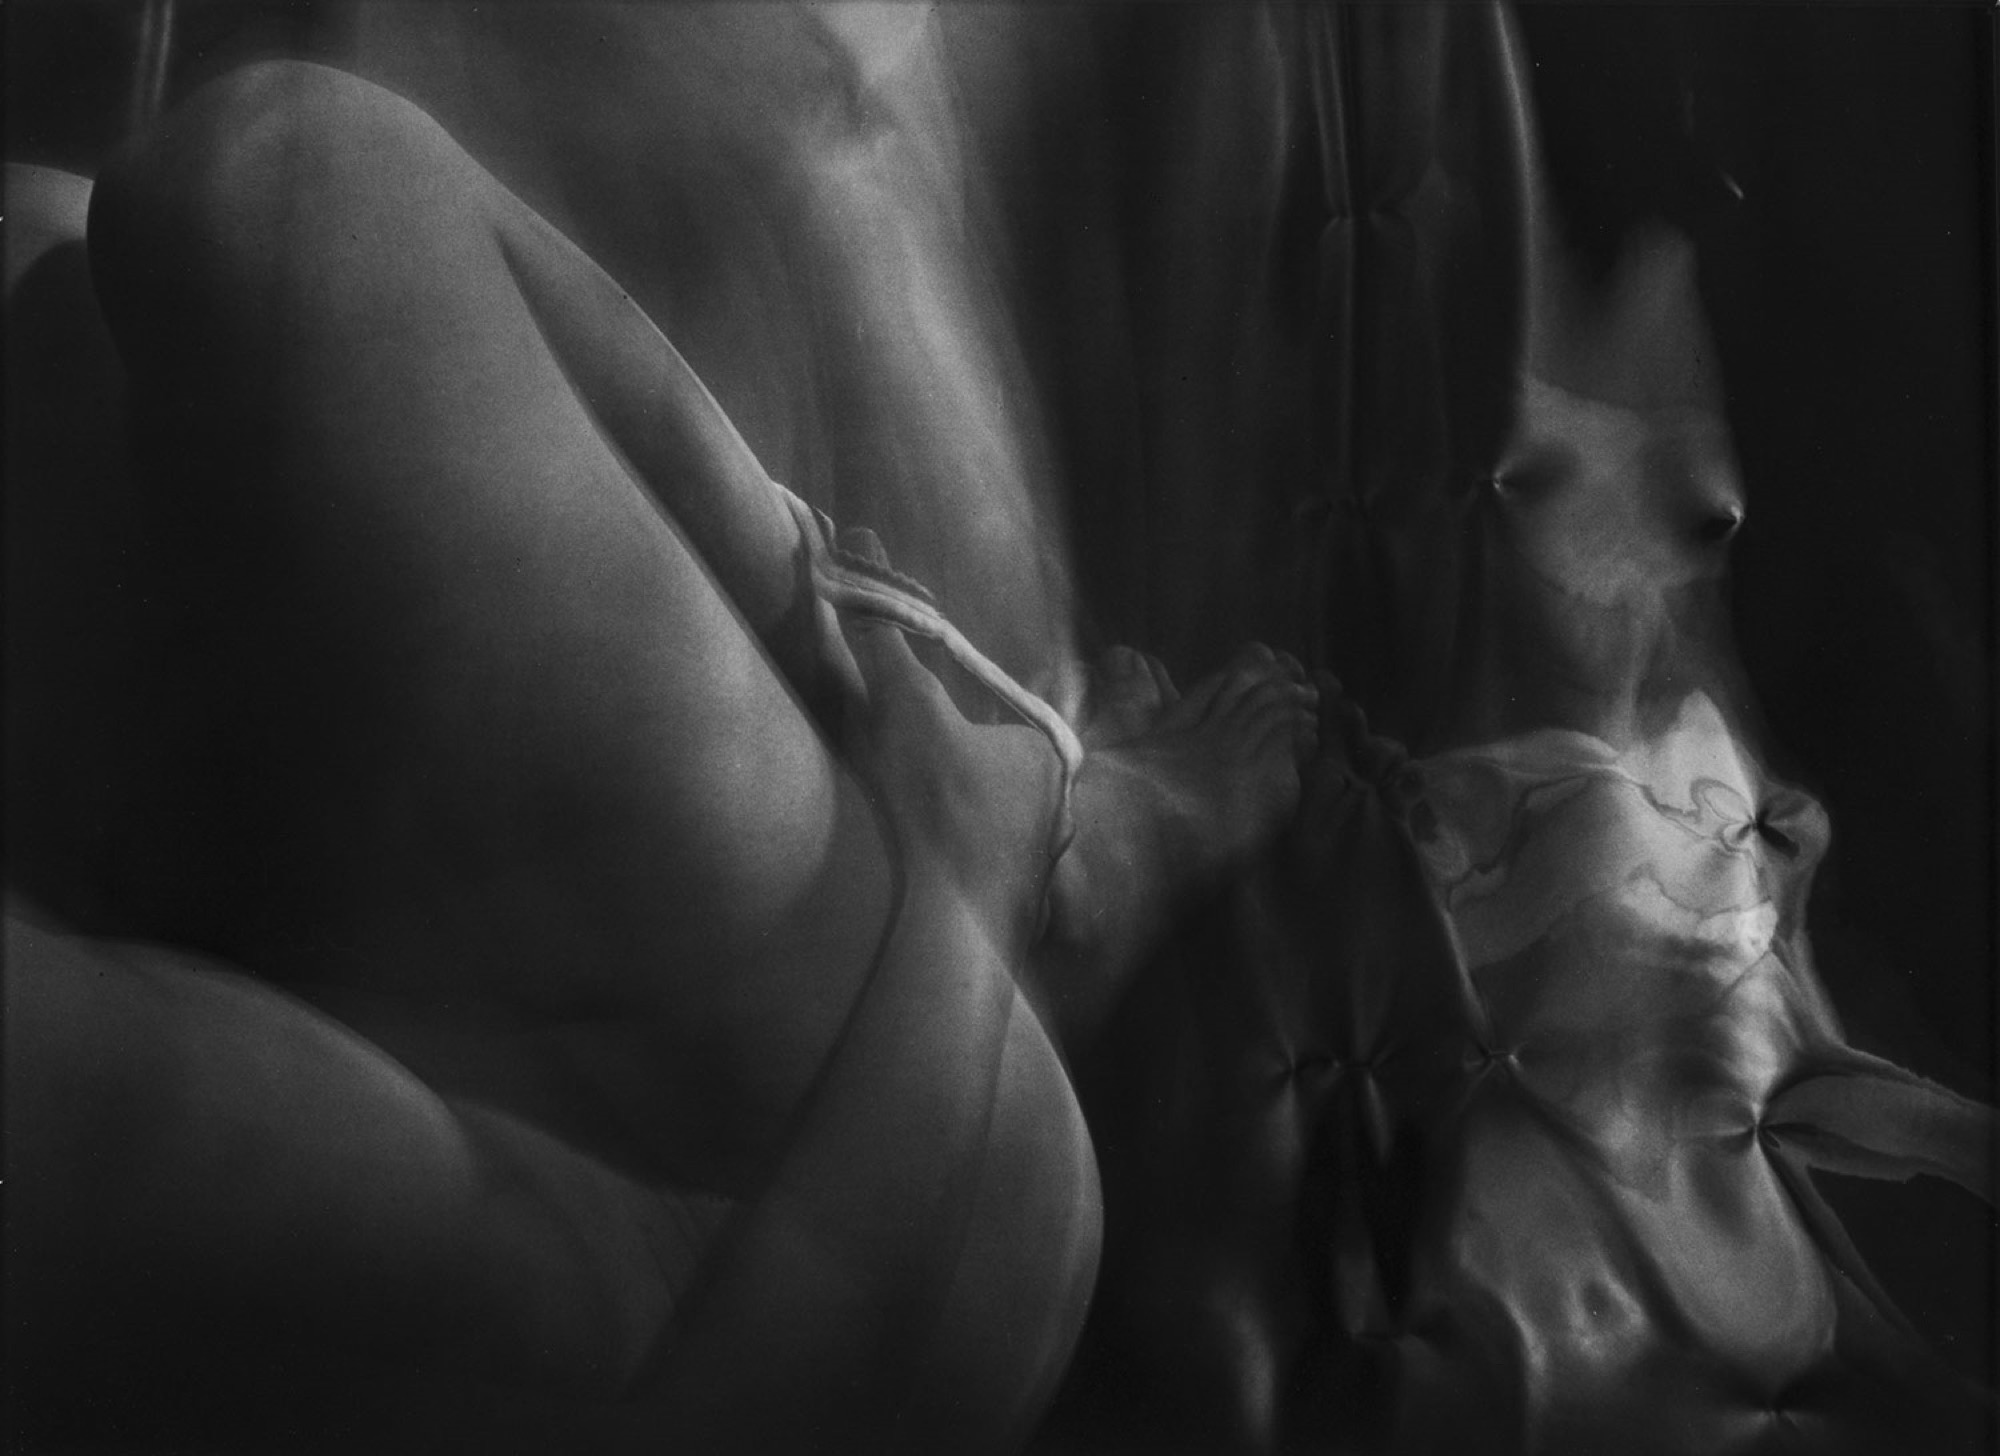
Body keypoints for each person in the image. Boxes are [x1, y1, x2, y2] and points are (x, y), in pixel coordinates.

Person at [5, 55, 1319, 1453]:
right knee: (282, 189)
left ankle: (868, 658)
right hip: (805, 1218)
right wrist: (964, 888)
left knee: (137, 244)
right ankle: (1043, 831)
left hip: (302, 940)